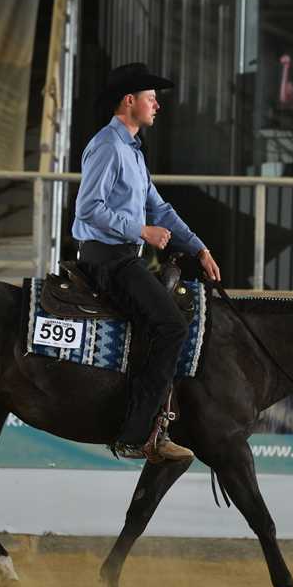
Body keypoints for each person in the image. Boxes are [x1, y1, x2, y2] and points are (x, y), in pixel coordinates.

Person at [72, 62, 221, 462]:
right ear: (129, 101)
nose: (158, 105)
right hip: (107, 261)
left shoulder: (132, 151)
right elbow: (88, 208)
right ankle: (138, 434)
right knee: (171, 326)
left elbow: (160, 208)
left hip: (123, 258)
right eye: (151, 98)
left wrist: (199, 248)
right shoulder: (108, 146)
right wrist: (141, 231)